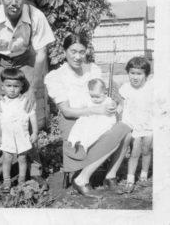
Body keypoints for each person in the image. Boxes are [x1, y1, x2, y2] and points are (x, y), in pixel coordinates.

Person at [0, 0, 55, 188]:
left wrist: (32, 90)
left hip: (25, 60)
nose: (14, 2)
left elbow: (40, 54)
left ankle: (35, 169)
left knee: (27, 110)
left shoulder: (35, 16)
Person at [44, 33, 131, 198]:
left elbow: (103, 95)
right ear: (64, 51)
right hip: (73, 121)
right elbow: (67, 111)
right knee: (116, 134)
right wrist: (95, 111)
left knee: (126, 133)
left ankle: (110, 175)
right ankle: (82, 179)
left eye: (82, 52)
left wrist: (111, 105)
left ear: (86, 52)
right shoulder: (56, 77)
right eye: (73, 51)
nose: (78, 56)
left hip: (97, 118)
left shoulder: (93, 70)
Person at [0, 68, 38, 192]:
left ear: (22, 86)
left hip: (22, 135)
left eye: (16, 86)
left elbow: (33, 117)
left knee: (22, 158)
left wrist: (35, 132)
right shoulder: (1, 102)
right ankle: (7, 181)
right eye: (8, 86)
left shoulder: (26, 101)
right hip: (7, 136)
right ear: (2, 86)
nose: (12, 89)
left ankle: (21, 180)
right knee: (7, 158)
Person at [118, 56, 153, 194]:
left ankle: (144, 174)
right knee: (134, 153)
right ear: (128, 73)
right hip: (133, 126)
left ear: (146, 75)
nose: (135, 77)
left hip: (148, 125)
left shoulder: (150, 89)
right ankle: (130, 178)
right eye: (132, 73)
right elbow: (121, 105)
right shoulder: (126, 88)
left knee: (147, 150)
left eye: (139, 74)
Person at [67, 78, 117, 152]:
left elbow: (112, 107)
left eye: (97, 97)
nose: (95, 99)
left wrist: (113, 105)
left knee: (96, 131)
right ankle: (75, 140)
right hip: (90, 120)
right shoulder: (88, 101)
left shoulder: (107, 100)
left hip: (102, 121)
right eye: (92, 96)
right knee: (79, 124)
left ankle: (88, 145)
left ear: (105, 92)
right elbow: (83, 108)